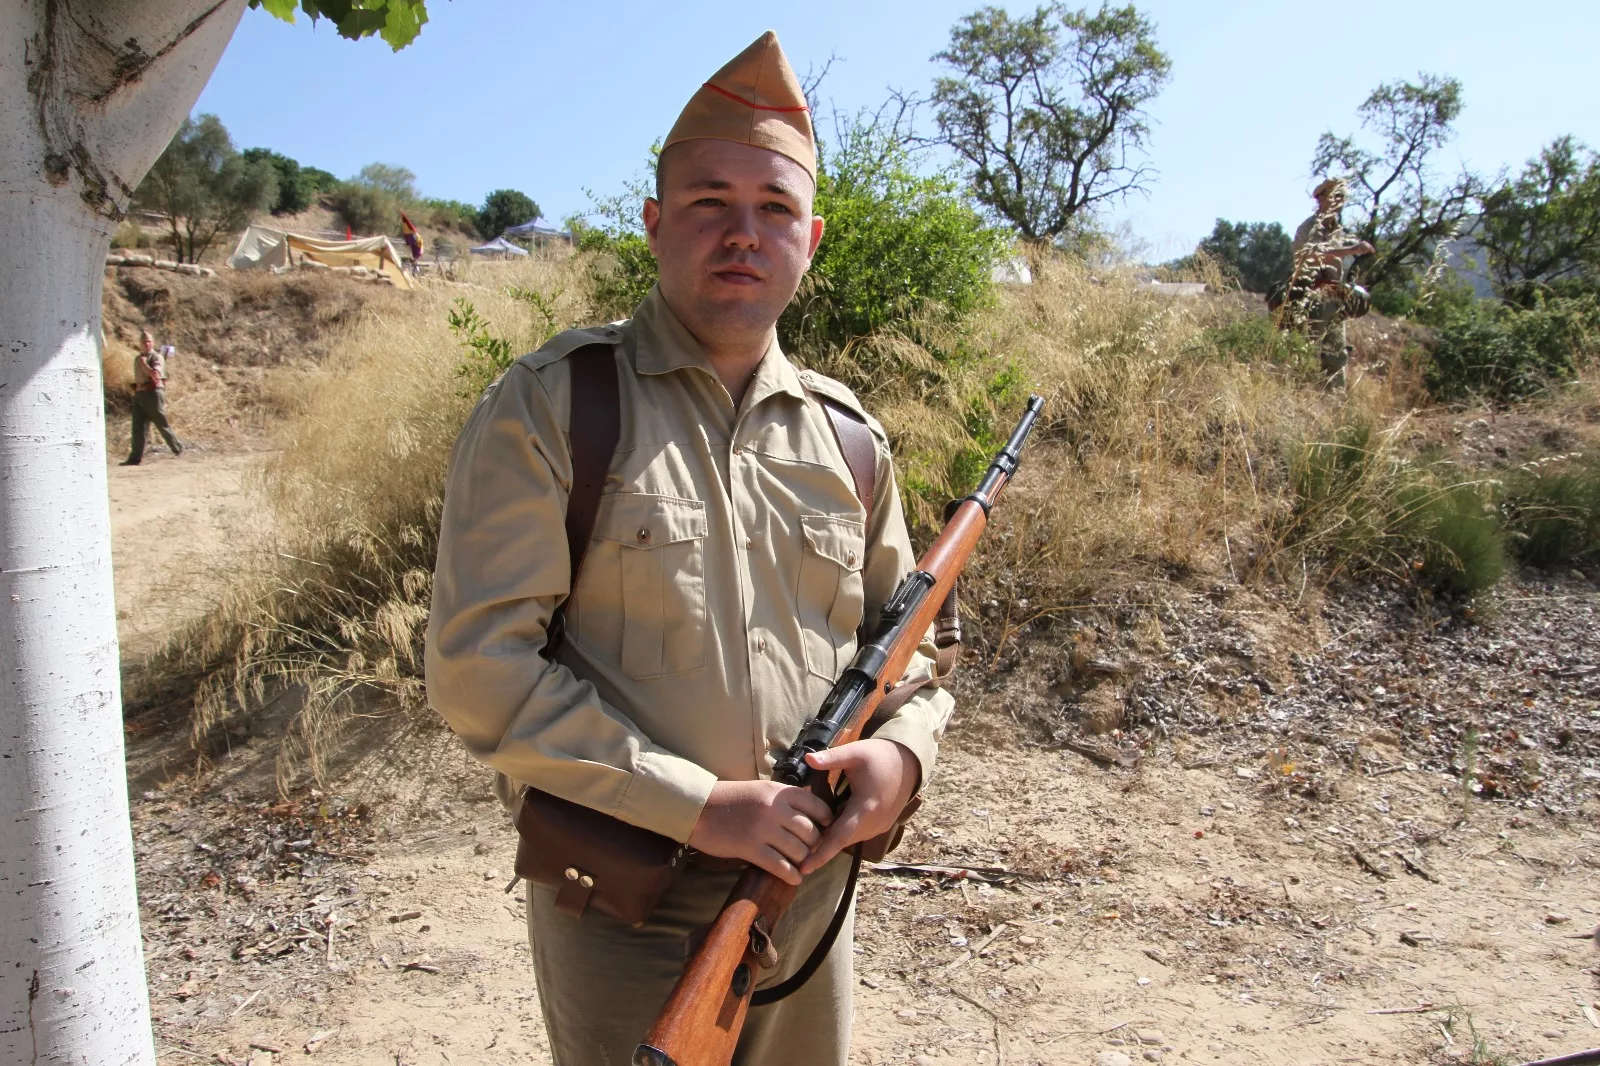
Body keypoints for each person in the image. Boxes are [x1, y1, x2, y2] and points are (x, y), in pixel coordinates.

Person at [424, 31, 954, 1066]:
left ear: (812, 238)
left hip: (805, 890)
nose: (743, 234)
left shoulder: (849, 439)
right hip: (625, 901)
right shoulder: (556, 404)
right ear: (656, 222)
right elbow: (477, 669)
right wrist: (700, 808)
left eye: (775, 209)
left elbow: (912, 651)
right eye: (710, 201)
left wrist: (903, 756)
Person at [1289, 177, 1375, 388]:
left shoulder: (1338, 230)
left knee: (1337, 354)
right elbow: (1314, 255)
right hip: (1310, 295)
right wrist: (1353, 249)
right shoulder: (1309, 227)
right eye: (1335, 197)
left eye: (1342, 198)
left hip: (1334, 297)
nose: (1339, 202)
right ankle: (1301, 394)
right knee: (1307, 351)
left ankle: (1334, 399)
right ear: (1320, 198)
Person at [121, 329, 182, 465]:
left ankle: (177, 447)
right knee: (137, 427)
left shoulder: (156, 357)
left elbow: (155, 374)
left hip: (153, 393)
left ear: (152, 343)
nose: (146, 344)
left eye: (149, 341)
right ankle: (135, 458)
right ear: (140, 344)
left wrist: (145, 365)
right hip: (139, 394)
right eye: (144, 342)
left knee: (161, 423)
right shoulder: (138, 358)